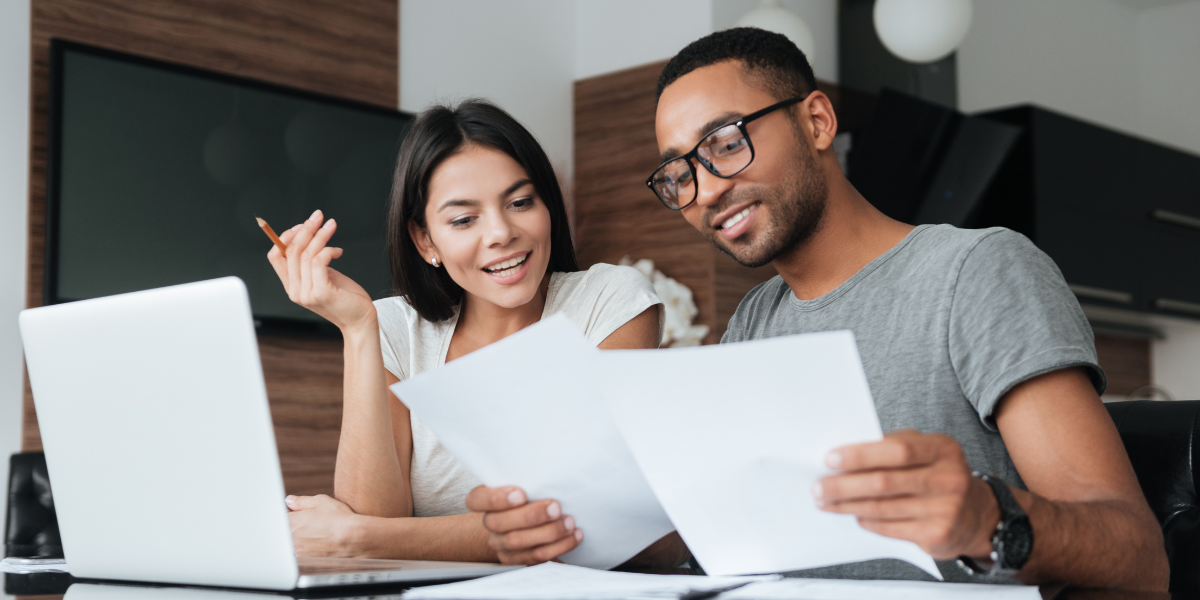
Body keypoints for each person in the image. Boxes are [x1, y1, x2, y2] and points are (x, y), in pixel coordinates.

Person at [472, 28, 1169, 588]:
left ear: (816, 120)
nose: (706, 191)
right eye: (679, 174)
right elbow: (715, 545)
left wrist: (987, 518)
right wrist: (561, 529)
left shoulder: (977, 271)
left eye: (724, 143)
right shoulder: (753, 319)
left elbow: (1139, 558)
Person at [266, 100, 686, 567]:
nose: (501, 232)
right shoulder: (395, 328)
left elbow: (588, 518)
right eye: (464, 219)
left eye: (520, 202)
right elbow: (374, 517)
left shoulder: (609, 301)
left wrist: (359, 537)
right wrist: (357, 329)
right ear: (426, 241)